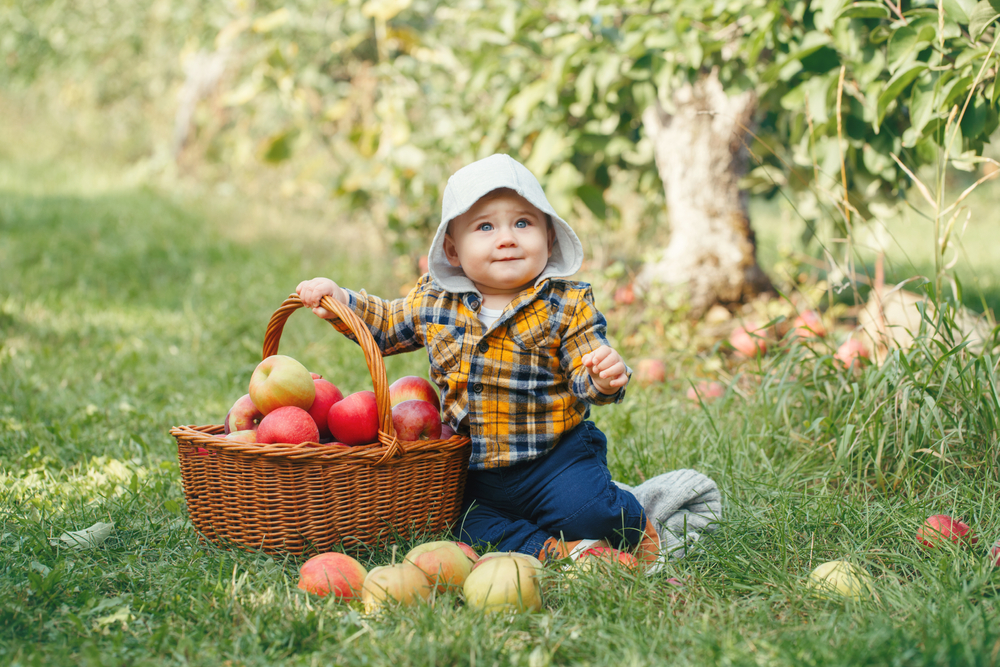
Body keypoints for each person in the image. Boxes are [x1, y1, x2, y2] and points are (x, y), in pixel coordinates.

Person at [296, 153, 659, 565]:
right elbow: (385, 324)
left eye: (523, 223)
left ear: (549, 238)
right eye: (485, 226)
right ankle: (557, 552)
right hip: (474, 471)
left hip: (554, 459)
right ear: (452, 248)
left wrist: (604, 376)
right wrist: (342, 299)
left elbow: (585, 363)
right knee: (462, 527)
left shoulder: (566, 302)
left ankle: (634, 522)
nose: (506, 238)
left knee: (589, 510)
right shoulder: (435, 300)